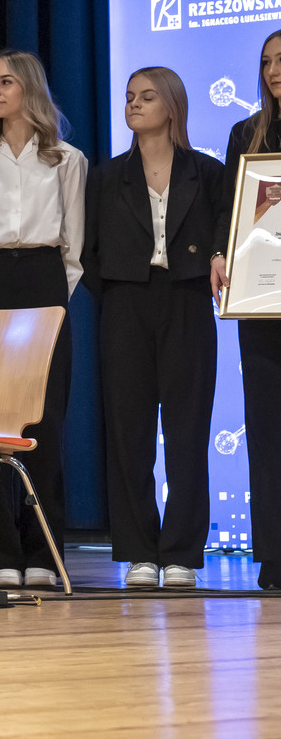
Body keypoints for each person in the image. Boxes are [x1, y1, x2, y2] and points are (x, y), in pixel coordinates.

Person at [83, 67, 221, 589]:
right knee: (129, 431)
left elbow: (224, 237)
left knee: (188, 430)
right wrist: (119, 291)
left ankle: (182, 552)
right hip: (125, 304)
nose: (133, 105)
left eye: (146, 97)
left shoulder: (207, 172)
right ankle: (139, 551)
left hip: (187, 300)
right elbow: (88, 252)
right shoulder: (106, 176)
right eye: (128, 97)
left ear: (172, 106)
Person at [0, 49, 85, 590]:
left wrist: (50, 297)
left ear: (29, 87)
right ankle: (0, 553)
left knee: (43, 420)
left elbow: (74, 244)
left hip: (43, 279)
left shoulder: (66, 159)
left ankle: (43, 553)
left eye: (5, 81)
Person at [211, 29, 281, 592]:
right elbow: (229, 211)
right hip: (262, 297)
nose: (273, 70)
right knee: (266, 428)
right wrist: (219, 254)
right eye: (266, 62)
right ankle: (276, 558)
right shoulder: (245, 133)